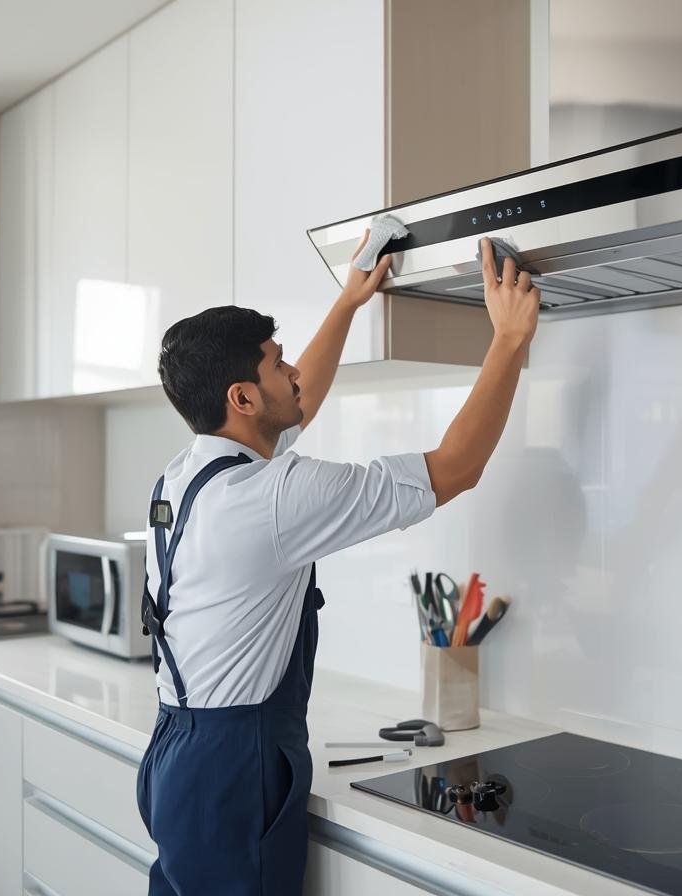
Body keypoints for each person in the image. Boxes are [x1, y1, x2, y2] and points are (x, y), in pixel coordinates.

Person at [135, 235, 540, 894]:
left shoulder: (189, 474)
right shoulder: (272, 496)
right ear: (241, 397)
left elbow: (297, 407)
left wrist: (350, 301)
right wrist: (509, 340)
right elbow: (456, 469)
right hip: (235, 769)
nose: (292, 372)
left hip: (178, 755)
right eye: (276, 363)